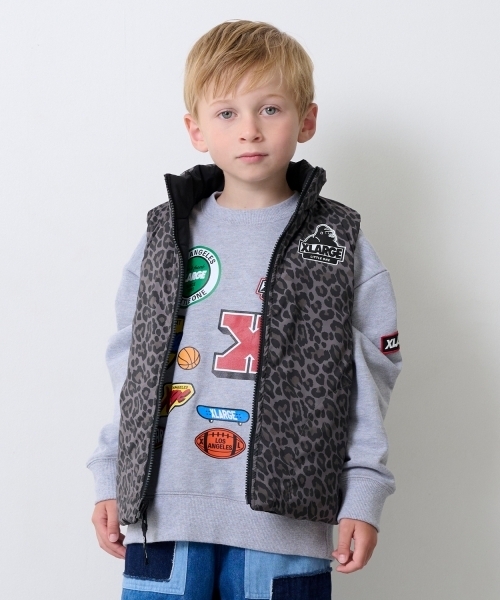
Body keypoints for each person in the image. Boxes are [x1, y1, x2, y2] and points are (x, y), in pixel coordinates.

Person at [87, 19, 402, 600]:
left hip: (289, 515)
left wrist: (364, 489)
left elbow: (371, 374)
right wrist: (110, 472)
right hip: (166, 509)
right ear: (196, 129)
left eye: (270, 109)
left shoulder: (335, 242)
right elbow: (130, 365)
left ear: (307, 120)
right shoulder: (166, 236)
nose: (250, 130)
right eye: (227, 113)